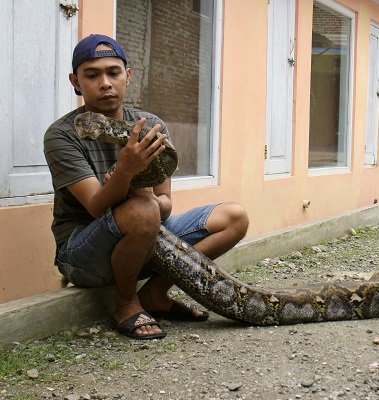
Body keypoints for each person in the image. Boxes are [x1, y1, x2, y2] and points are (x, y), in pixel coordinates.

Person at [43, 34, 249, 340]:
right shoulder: (62, 135)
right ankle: (126, 302)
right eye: (92, 75)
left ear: (128, 75)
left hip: (143, 236)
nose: (105, 83)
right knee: (140, 210)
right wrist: (128, 172)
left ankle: (155, 294)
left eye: (113, 72)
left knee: (234, 217)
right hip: (83, 253)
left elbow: (164, 205)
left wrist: (140, 187)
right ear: (76, 82)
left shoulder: (150, 125)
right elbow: (96, 207)